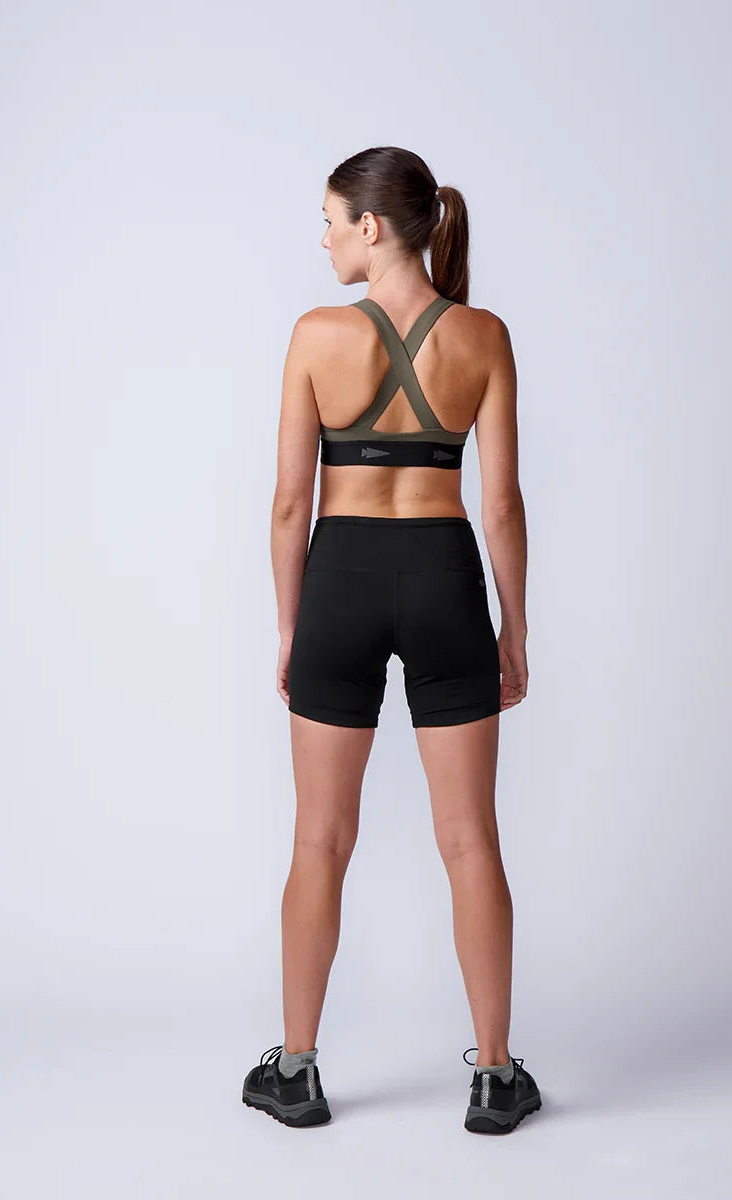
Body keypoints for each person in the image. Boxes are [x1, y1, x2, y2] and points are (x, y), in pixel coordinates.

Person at [240, 146, 540, 1135]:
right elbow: (501, 504)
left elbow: (291, 505)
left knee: (320, 839)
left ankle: (295, 1070)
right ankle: (495, 1076)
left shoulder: (316, 336)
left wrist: (293, 625)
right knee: (471, 840)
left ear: (371, 227)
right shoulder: (483, 336)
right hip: (447, 578)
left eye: (331, 221)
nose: (324, 240)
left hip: (343, 580)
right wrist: (514, 627)